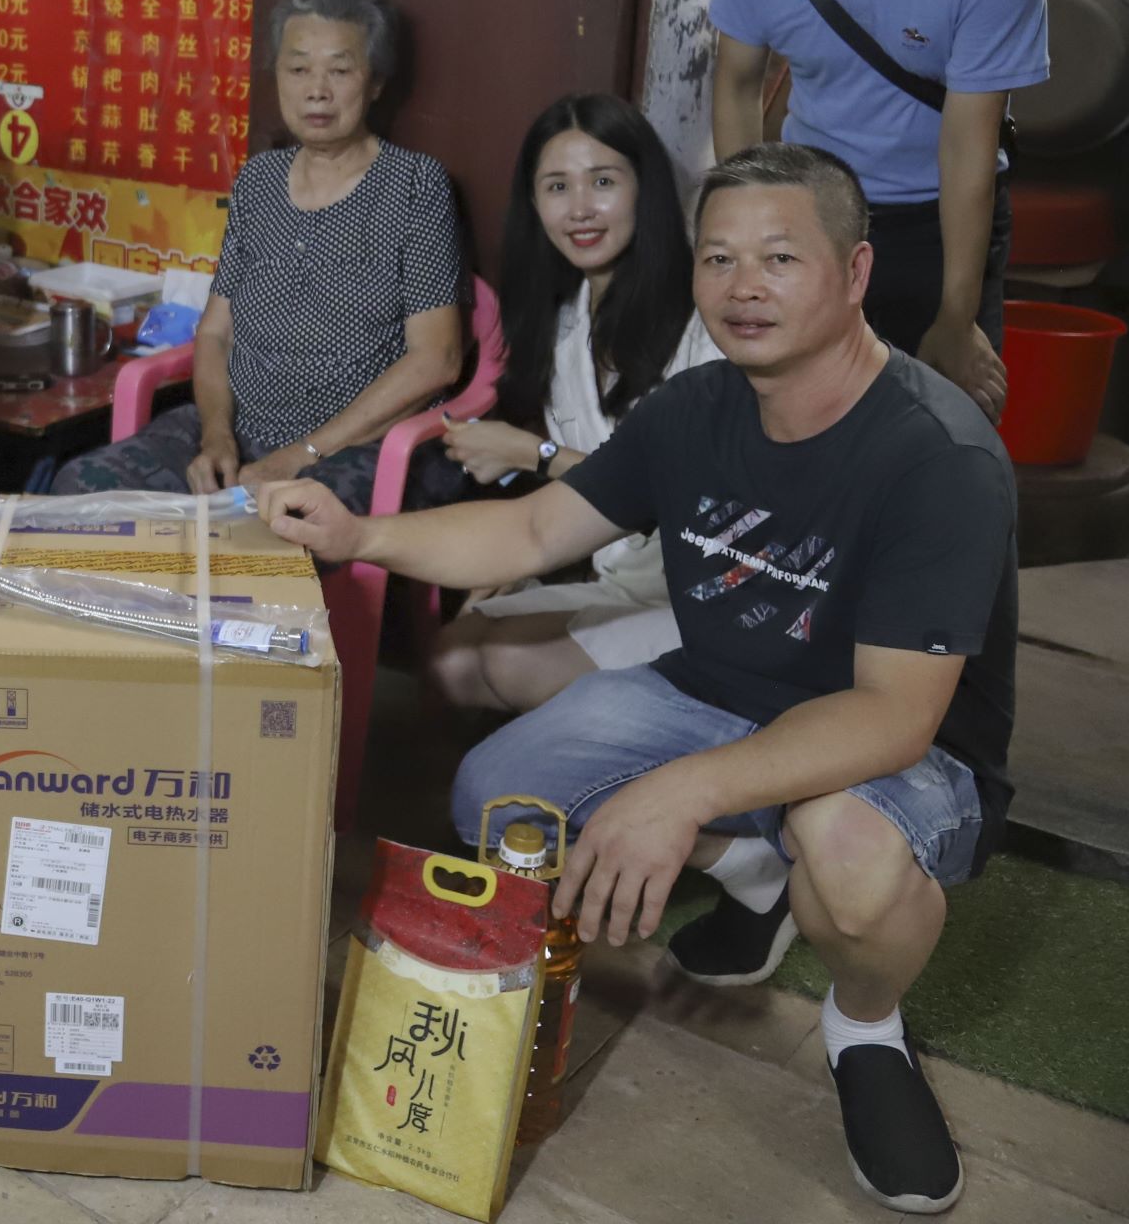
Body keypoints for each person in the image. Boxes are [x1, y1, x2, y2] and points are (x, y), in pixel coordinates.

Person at [261, 143, 1015, 1216]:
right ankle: (754, 869)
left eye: (778, 258)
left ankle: (863, 1024)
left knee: (846, 858)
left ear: (853, 272)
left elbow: (892, 714)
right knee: (500, 800)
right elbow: (532, 529)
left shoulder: (934, 454)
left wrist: (678, 793)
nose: (741, 286)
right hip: (712, 691)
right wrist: (360, 532)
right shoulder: (692, 407)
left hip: (890, 743)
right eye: (717, 258)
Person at [710, 0, 1048, 421]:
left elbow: (968, 143)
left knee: (943, 424)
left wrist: (956, 315)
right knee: (795, 417)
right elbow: (737, 84)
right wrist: (750, 227)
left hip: (939, 222)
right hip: (810, 215)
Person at [54, 0, 466, 514]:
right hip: (239, 429)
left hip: (355, 445)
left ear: (376, 83)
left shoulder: (414, 185)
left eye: (340, 71)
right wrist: (216, 437)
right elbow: (215, 333)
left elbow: (437, 359)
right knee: (82, 490)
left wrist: (301, 454)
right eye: (298, 69)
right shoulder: (259, 181)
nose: (316, 91)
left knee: (270, 529)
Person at [430, 94, 720, 712]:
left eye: (604, 181)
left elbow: (685, 498)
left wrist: (533, 454)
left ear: (645, 190)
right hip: (622, 584)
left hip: (705, 598)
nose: (580, 208)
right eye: (557, 186)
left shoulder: (706, 316)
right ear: (534, 204)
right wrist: (520, 562)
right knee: (451, 658)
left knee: (510, 661)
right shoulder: (564, 321)